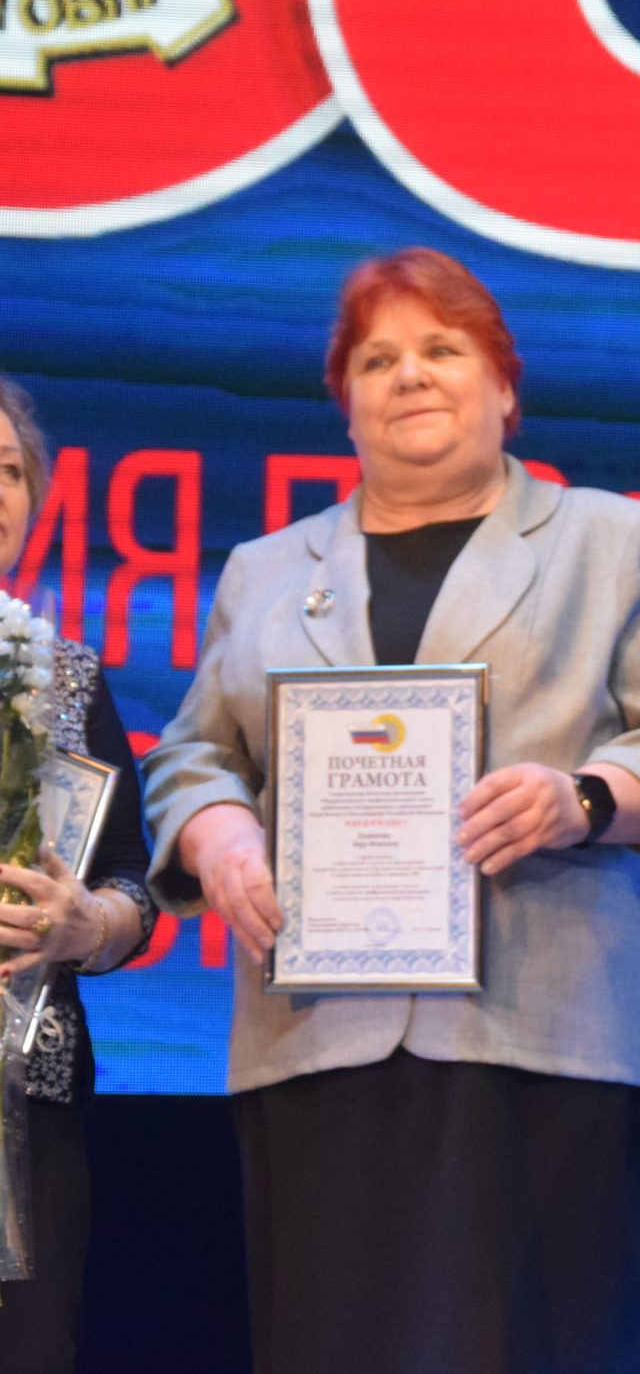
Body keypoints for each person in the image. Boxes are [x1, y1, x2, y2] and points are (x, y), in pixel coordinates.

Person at [141, 249, 640, 1374]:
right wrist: (218, 831)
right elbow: (192, 752)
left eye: (442, 349)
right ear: (345, 402)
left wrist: (583, 798)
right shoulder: (265, 569)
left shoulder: (609, 540)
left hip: (541, 1033)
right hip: (315, 1032)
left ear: (505, 385)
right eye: (377, 360)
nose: (410, 376)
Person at [0, 375, 156, 1373]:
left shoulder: (66, 678)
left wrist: (86, 924)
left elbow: (138, 882)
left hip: (30, 1099)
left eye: (10, 470)